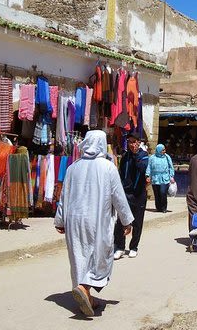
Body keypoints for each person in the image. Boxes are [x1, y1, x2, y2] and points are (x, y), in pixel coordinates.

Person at [54, 130, 133, 318]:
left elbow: (64, 196)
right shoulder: (108, 167)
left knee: (79, 255)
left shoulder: (73, 167)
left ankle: (86, 295)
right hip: (96, 220)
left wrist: (59, 219)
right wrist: (127, 220)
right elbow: (118, 197)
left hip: (74, 219)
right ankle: (84, 286)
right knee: (100, 255)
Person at [113, 134, 148, 259]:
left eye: (134, 142)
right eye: (130, 142)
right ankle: (120, 247)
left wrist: (136, 155)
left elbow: (142, 169)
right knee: (121, 221)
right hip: (126, 193)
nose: (132, 145)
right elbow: (121, 173)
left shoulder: (144, 156)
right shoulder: (125, 156)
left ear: (138, 143)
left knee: (137, 223)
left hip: (138, 194)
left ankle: (133, 247)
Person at [145, 144, 175, 213]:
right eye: (163, 150)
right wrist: (147, 175)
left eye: (164, 149)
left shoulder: (167, 157)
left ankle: (164, 207)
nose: (164, 151)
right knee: (157, 193)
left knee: (163, 192)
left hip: (165, 178)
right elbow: (149, 167)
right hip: (155, 178)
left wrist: (171, 176)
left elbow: (171, 167)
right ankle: (158, 207)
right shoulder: (152, 158)